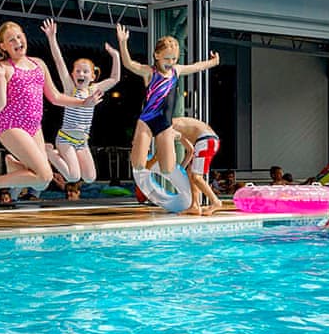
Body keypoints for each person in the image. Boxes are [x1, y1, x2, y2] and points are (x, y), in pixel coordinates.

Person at [0, 21, 103, 208]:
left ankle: (15, 166)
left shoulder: (39, 64)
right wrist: (0, 77)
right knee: (45, 175)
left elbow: (56, 97)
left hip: (34, 127)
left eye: (19, 36)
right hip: (11, 125)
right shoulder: (3, 68)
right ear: (3, 46)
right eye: (11, 40)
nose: (17, 41)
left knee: (42, 182)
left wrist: (84, 102)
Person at [116, 24, 219, 179]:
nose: (170, 62)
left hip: (164, 124)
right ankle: (147, 146)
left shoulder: (176, 71)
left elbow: (196, 66)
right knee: (137, 165)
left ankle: (174, 136)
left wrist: (213, 62)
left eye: (174, 58)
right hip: (146, 121)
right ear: (156, 55)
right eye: (167, 58)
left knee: (168, 169)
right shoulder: (150, 72)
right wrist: (123, 43)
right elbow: (129, 64)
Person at [40, 18, 121, 186]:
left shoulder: (94, 89)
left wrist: (116, 56)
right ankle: (49, 153)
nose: (81, 74)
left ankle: (52, 154)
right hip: (65, 139)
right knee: (73, 177)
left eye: (85, 72)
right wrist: (52, 38)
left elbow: (114, 78)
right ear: (73, 74)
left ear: (93, 76)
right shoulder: (71, 89)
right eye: (77, 71)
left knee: (90, 177)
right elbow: (59, 62)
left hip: (82, 141)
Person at [171, 116, 223, 216]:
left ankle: (215, 202)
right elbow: (190, 150)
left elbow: (163, 152)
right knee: (190, 173)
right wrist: (181, 168)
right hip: (205, 141)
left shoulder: (169, 126)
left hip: (207, 141)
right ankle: (195, 206)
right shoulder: (177, 128)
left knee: (197, 177)